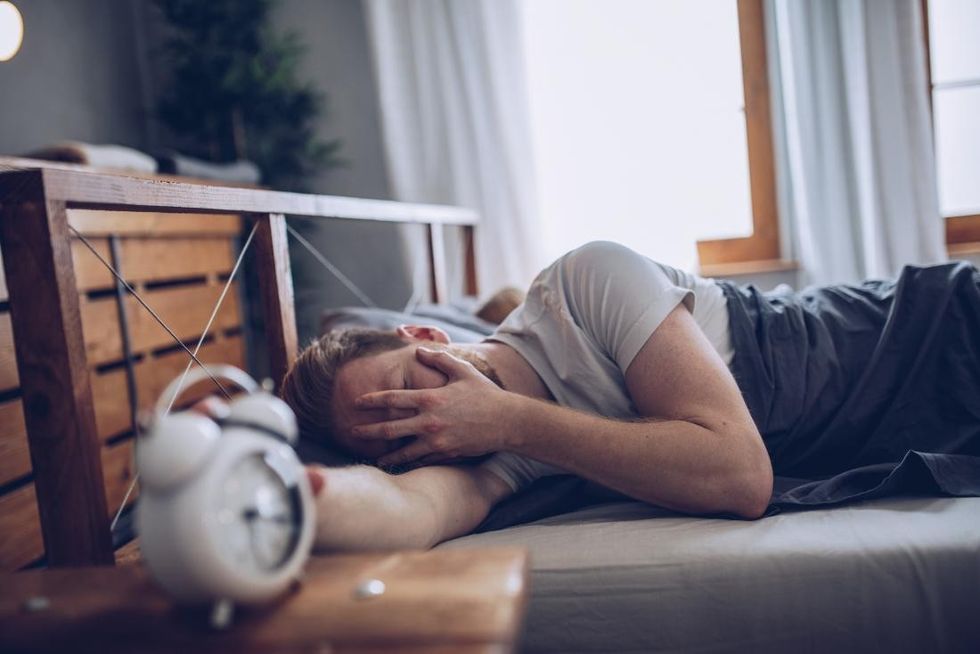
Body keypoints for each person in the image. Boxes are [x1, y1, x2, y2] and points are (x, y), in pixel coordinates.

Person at [263, 242, 980, 552]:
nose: (420, 421)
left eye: (401, 391)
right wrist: (274, 497)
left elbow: (738, 471)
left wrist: (514, 419)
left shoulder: (583, 283)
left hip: (923, 330)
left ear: (426, 334)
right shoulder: (482, 451)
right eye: (389, 437)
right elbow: (405, 513)